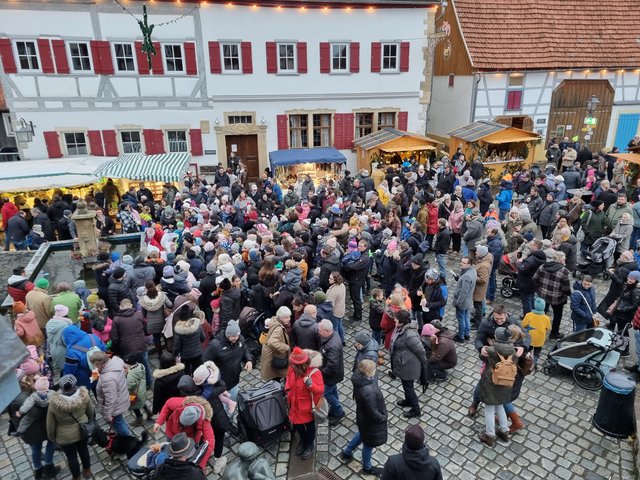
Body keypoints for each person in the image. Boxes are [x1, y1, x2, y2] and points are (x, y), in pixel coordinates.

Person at [340, 359, 387, 476]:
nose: (376, 371)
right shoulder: (368, 391)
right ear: (367, 373)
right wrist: (383, 417)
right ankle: (367, 467)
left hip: (363, 419)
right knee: (368, 444)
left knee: (362, 434)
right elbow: (373, 412)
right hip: (369, 422)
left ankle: (347, 451)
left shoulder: (359, 379)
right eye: (374, 370)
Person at [46, 374, 94, 480]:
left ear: (61, 387)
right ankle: (87, 471)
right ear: (74, 384)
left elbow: (50, 423)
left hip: (65, 437)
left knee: (71, 457)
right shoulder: (84, 396)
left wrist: (51, 437)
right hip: (83, 430)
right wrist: (90, 422)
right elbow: (91, 412)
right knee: (84, 450)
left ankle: (76, 477)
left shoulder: (54, 403)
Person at [153, 392, 215, 472]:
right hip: (171, 433)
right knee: (172, 449)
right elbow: (168, 403)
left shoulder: (205, 421)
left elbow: (210, 442)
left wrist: (201, 465)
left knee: (188, 455)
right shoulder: (181, 403)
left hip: (189, 441)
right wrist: (159, 422)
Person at [477, 327, 516, 447]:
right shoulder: (513, 350)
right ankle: (504, 431)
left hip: (491, 381)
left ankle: (490, 435)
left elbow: (482, 358)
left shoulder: (491, 349)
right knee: (500, 406)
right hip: (505, 381)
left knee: (489, 409)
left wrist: (483, 349)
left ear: (496, 336)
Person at [285, 347, 324, 460]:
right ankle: (302, 440)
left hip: (307, 408)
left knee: (309, 427)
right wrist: (287, 389)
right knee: (297, 425)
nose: (292, 366)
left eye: (294, 365)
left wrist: (310, 385)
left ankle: (309, 444)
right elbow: (288, 378)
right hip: (294, 405)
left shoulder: (314, 372)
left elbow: (320, 390)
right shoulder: (292, 368)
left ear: (301, 365)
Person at [202, 319, 253, 402]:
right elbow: (204, 362)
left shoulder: (240, 339)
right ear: (227, 334)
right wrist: (214, 379)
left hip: (235, 380)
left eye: (237, 335)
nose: (236, 338)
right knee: (225, 407)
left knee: (233, 402)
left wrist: (249, 359)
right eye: (233, 336)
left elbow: (244, 349)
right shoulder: (215, 345)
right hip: (221, 384)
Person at [390, 309, 427, 418]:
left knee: (408, 387)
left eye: (396, 320)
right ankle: (408, 401)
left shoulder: (409, 335)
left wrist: (424, 363)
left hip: (408, 366)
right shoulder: (401, 328)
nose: (395, 321)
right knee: (406, 386)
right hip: (402, 363)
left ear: (402, 322)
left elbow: (420, 350)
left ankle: (416, 409)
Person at [90, 351, 132, 436]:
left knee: (119, 425)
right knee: (120, 420)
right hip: (121, 398)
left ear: (100, 364)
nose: (95, 367)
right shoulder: (116, 362)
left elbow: (110, 399)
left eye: (95, 364)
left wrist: (107, 414)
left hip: (115, 406)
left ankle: (129, 440)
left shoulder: (107, 378)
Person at [533, 250, 572, 338]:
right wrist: (567, 295)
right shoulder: (564, 271)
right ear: (561, 260)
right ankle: (554, 333)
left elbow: (535, 279)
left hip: (543, 295)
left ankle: (538, 328)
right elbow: (566, 288)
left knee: (541, 312)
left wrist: (539, 290)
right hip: (557, 298)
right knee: (557, 316)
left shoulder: (543, 266)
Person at [318, 319, 345, 425]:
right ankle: (335, 406)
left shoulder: (332, 345)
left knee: (325, 393)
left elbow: (332, 366)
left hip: (331, 375)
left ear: (326, 331)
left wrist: (320, 372)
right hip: (332, 376)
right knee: (332, 390)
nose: (318, 331)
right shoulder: (331, 336)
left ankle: (338, 411)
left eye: (320, 330)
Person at [260, 306, 292, 381]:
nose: (289, 319)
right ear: (280, 317)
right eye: (286, 317)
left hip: (270, 353)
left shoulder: (274, 320)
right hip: (273, 356)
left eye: (289, 317)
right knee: (275, 377)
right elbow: (272, 342)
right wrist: (286, 347)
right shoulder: (278, 329)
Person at [173, 306, 205, 376]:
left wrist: (174, 355)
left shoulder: (179, 331)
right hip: (198, 353)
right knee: (197, 371)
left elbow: (177, 346)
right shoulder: (197, 325)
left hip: (185, 356)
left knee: (186, 372)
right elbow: (203, 338)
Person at [452, 256, 477, 343]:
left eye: (464, 263)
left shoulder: (467, 276)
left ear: (469, 264)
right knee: (466, 317)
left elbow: (464, 292)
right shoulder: (472, 271)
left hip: (463, 302)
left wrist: (458, 303)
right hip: (468, 301)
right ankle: (466, 334)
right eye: (461, 261)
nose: (461, 264)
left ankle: (461, 336)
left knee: (461, 319)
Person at [520, 298, 551, 366]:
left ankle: (525, 361)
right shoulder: (546, 318)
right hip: (540, 339)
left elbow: (523, 325)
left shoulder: (529, 315)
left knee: (527, 349)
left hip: (529, 338)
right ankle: (534, 363)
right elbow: (548, 328)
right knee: (537, 351)